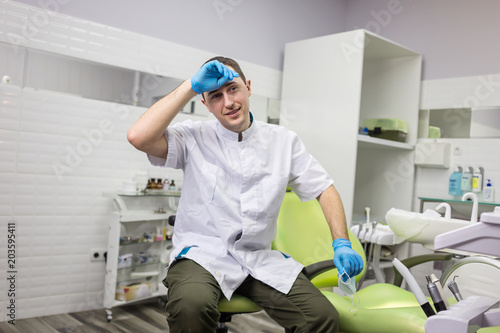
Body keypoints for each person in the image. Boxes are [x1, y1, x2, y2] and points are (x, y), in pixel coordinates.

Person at [127, 56, 363, 333]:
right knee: (191, 306)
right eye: (215, 96)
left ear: (248, 87)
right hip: (201, 257)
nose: (228, 102)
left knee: (321, 317)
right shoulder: (193, 137)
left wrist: (341, 243)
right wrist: (190, 85)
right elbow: (138, 137)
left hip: (257, 259)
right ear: (205, 103)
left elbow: (325, 188)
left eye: (233, 89)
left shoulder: (283, 142)